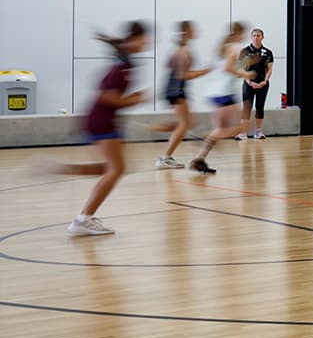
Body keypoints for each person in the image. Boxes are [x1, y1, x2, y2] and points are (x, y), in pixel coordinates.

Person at [48, 23, 149, 235]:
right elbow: (106, 96)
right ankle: (82, 219)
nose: (146, 43)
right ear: (132, 39)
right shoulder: (120, 67)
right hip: (102, 120)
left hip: (106, 121)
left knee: (110, 168)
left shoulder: (125, 64)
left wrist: (131, 99)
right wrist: (134, 99)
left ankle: (60, 170)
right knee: (117, 169)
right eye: (143, 39)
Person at [187, 23, 252, 175]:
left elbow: (227, 66)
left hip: (214, 93)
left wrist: (247, 63)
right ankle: (203, 136)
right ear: (239, 33)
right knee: (241, 128)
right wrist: (246, 74)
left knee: (220, 130)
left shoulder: (221, 48)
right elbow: (227, 68)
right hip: (225, 93)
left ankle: (199, 161)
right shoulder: (235, 47)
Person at [156, 21, 214, 169]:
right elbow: (183, 75)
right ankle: (165, 157)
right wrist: (206, 71)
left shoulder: (180, 49)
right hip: (176, 89)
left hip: (175, 89)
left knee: (189, 122)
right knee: (185, 124)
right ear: (187, 32)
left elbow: (168, 65)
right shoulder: (182, 51)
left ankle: (165, 129)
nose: (195, 31)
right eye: (192, 29)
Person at [237, 27, 274, 140]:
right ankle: (243, 133)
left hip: (262, 84)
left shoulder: (267, 52)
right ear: (251, 37)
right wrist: (248, 81)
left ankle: (258, 131)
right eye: (254, 35)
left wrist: (264, 81)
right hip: (248, 84)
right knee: (247, 107)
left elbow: (269, 69)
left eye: (258, 36)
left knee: (259, 107)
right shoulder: (245, 51)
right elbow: (241, 68)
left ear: (262, 37)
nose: (256, 38)